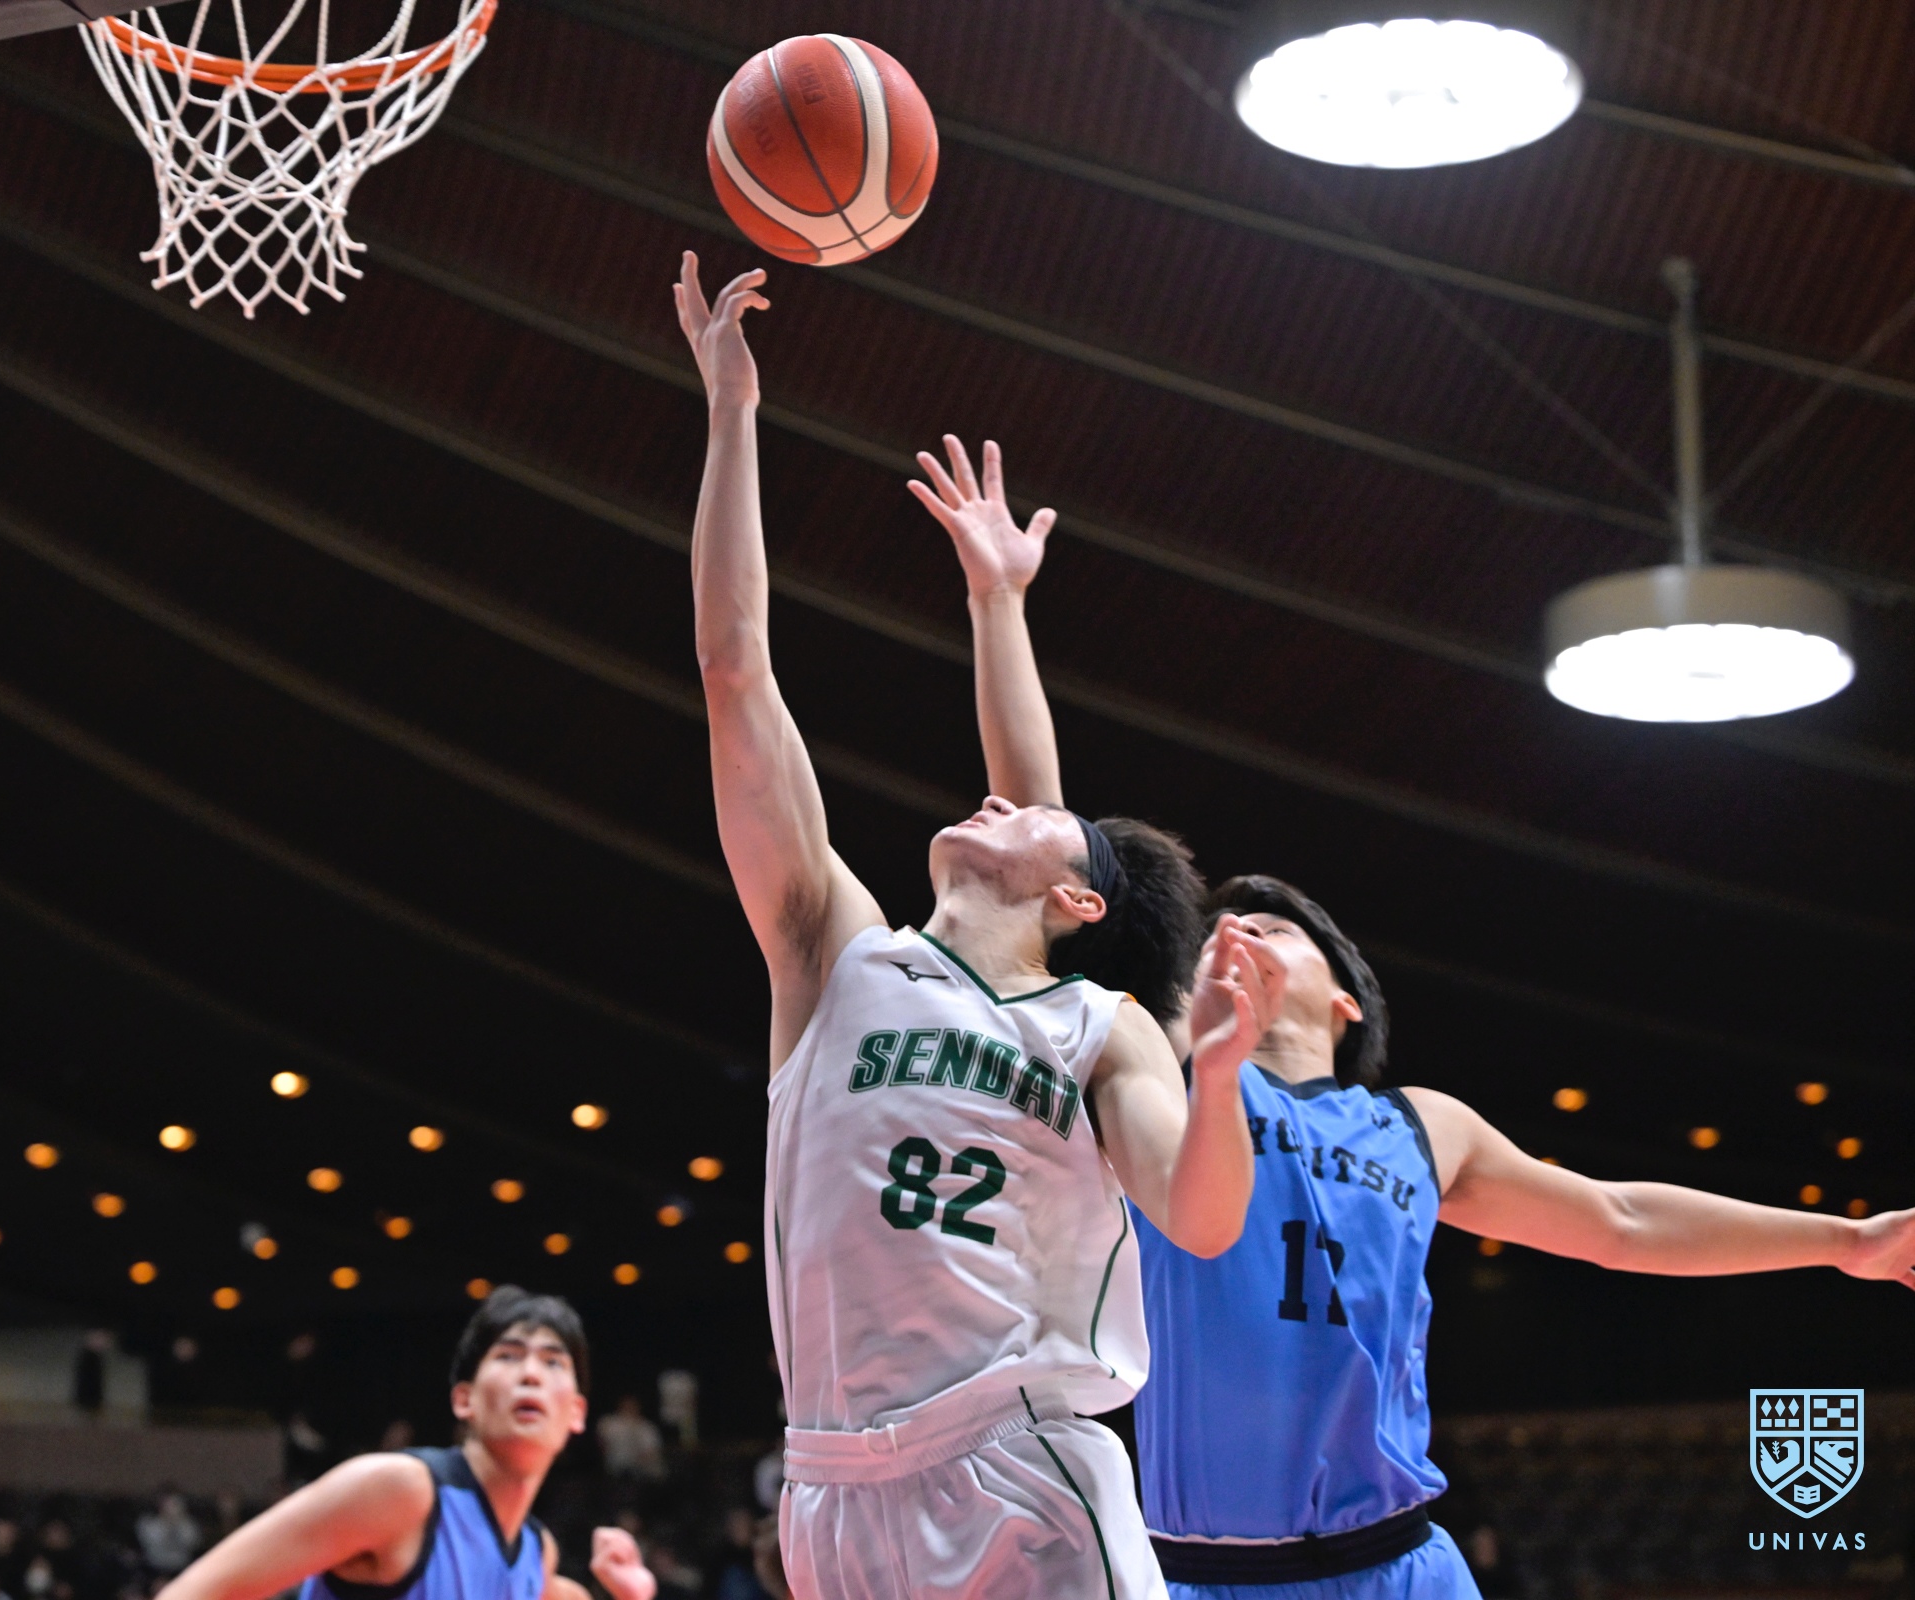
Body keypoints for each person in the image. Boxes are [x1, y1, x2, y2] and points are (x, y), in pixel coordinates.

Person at [916, 433, 1915, 1600]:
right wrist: (998, 602)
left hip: (1400, 1565)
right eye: (1217, 930)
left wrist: (1849, 1243)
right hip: (1200, 1574)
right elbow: (1042, 836)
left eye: (1270, 926)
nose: (1236, 936)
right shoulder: (1165, 1073)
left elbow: (1620, 1217)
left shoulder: (1420, 1127)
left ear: (1344, 997)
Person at [676, 252, 1277, 1600]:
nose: (996, 796)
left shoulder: (1096, 1024)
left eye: (1033, 817)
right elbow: (733, 668)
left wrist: (1222, 1074)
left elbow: (1198, 1216)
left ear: (1077, 902)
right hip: (829, 1488)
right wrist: (731, 412)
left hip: (1018, 1471)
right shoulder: (838, 953)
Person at [151, 1286, 652, 1600]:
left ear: (577, 1413)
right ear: (464, 1400)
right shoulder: (397, 1491)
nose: (531, 1375)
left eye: (553, 1362)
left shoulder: (534, 1557)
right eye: (508, 1356)